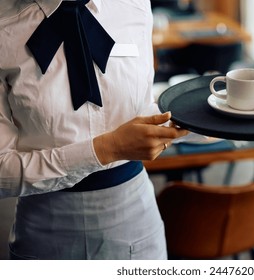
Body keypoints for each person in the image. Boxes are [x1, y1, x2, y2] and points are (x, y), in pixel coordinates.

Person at [0, 0, 189, 259]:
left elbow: (143, 108)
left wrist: (201, 115)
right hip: (44, 233)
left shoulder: (134, 5)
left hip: (136, 223)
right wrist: (107, 149)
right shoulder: (4, 24)